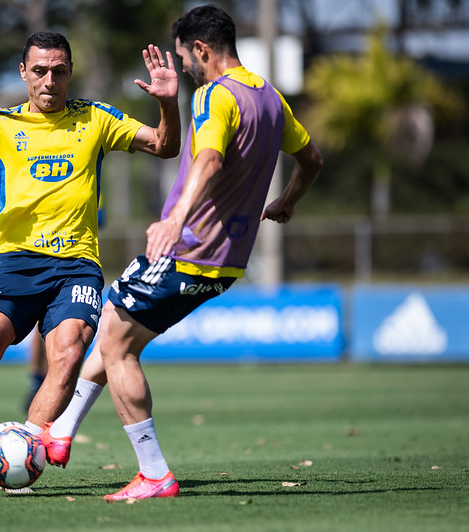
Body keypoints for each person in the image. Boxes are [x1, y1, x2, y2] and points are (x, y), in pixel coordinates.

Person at [40, 4, 324, 500]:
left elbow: (210, 158)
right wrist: (286, 203)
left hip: (188, 250)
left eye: (185, 58)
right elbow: (312, 159)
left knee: (117, 345)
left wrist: (175, 219)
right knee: (112, 320)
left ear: (202, 50)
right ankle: (61, 433)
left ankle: (154, 474)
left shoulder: (216, 95)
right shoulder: (271, 97)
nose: (186, 68)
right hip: (228, 261)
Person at [0, 31, 180, 489]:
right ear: (23, 73)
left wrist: (168, 102)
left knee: (66, 352)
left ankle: (24, 449)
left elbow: (166, 146)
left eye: (60, 71)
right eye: (40, 70)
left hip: (76, 265)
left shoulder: (96, 118)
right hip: (14, 263)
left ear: (70, 73)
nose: (50, 79)